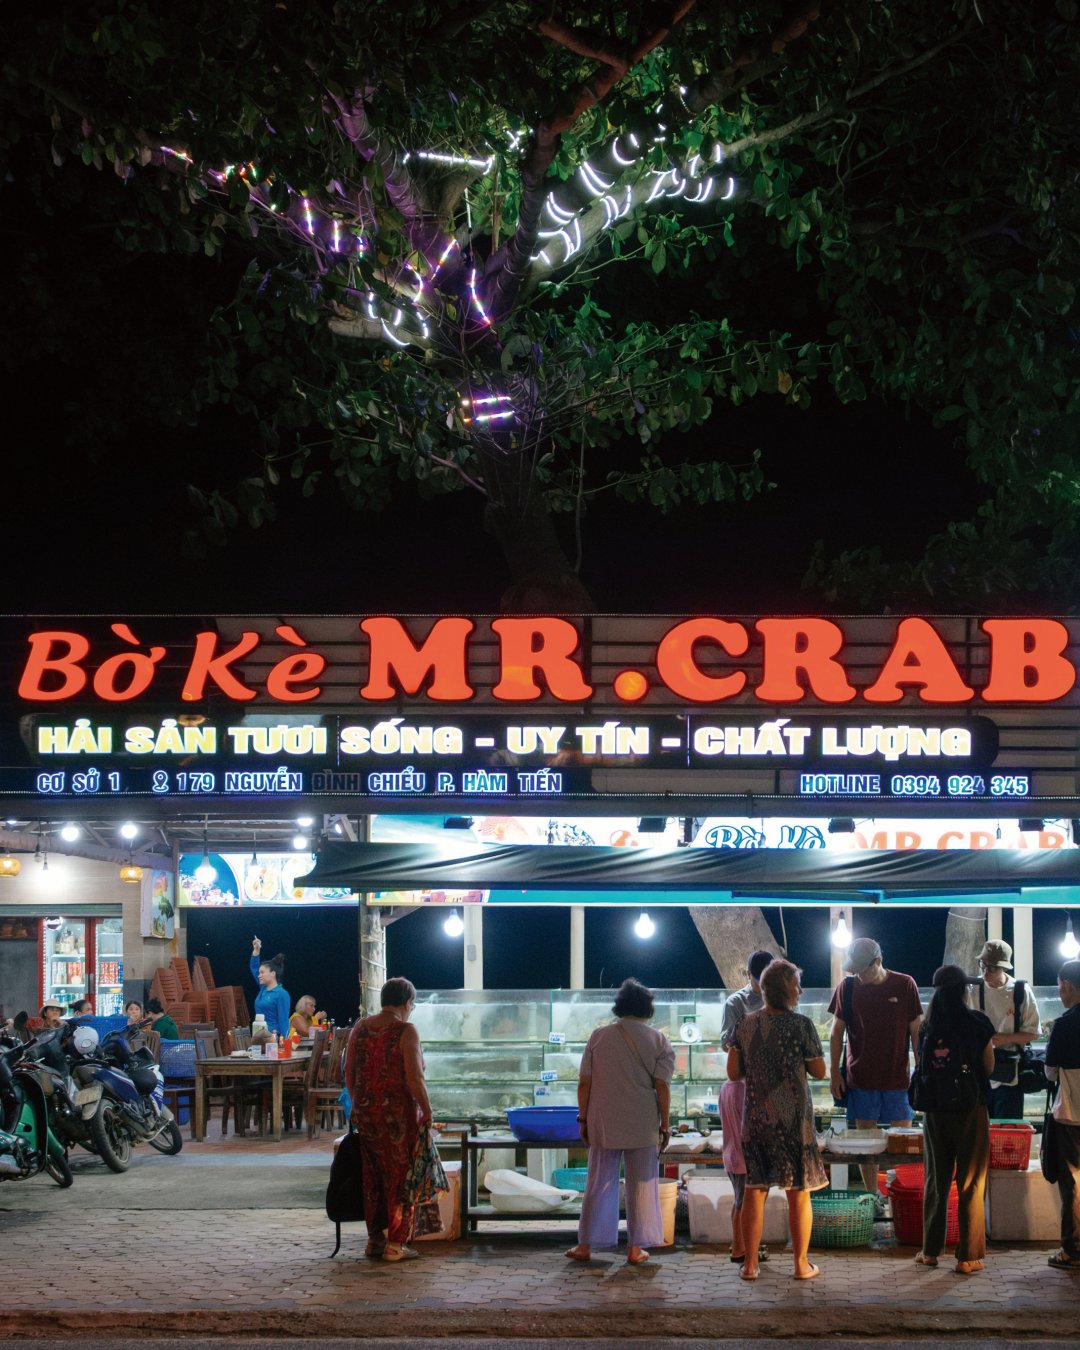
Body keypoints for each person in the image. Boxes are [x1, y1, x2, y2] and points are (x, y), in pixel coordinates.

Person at [728, 958, 828, 1282]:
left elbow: (733, 1072)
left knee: (755, 1188)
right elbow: (819, 1071)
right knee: (798, 1191)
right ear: (785, 990)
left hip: (757, 1117)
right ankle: (800, 1265)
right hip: (793, 1119)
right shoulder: (802, 1025)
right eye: (796, 985)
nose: (800, 991)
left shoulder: (744, 1024)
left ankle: (750, 1265)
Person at [566, 977, 674, 1267]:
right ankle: (635, 1249)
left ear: (619, 1006)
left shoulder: (598, 1036)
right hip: (642, 1121)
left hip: (603, 1119)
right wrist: (665, 1124)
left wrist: (583, 1118)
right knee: (642, 1184)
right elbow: (662, 1086)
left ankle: (585, 1245)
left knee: (599, 1181)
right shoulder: (659, 1041)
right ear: (648, 1008)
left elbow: (584, 1083)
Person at [344, 976, 445, 1262]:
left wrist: (357, 1102)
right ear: (408, 1003)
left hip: (366, 1114)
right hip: (399, 1117)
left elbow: (349, 1069)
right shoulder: (406, 1031)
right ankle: (396, 1245)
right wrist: (428, 1110)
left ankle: (375, 1240)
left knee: (373, 1176)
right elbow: (414, 1077)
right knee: (401, 1177)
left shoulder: (360, 1027)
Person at [913, 965, 994, 1275]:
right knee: (971, 1180)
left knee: (937, 1179)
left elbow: (923, 1066)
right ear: (963, 990)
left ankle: (930, 1251)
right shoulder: (977, 1023)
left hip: (935, 1110)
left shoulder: (927, 1026)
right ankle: (968, 1256)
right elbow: (988, 1066)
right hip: (970, 1108)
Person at [829, 937, 923, 1193]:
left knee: (902, 1143)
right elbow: (836, 1032)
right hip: (860, 1078)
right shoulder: (847, 987)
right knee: (865, 1144)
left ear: (878, 961)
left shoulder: (905, 984)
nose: (858, 975)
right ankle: (872, 1195)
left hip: (898, 1078)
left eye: (863, 969)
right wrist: (834, 1072)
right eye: (854, 969)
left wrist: (921, 1068)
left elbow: (916, 1030)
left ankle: (900, 1193)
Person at [720, 949, 775, 1267]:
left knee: (751, 1186)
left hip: (758, 1090)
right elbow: (726, 1042)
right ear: (749, 976)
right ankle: (742, 1249)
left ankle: (743, 1246)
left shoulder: (778, 999)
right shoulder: (736, 1003)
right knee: (746, 1185)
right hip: (744, 1088)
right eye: (760, 981)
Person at [974, 939, 1040, 1120]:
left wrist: (1003, 1038)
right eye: (983, 964)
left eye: (992, 967)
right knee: (979, 1128)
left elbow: (1033, 1032)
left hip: (1009, 1072)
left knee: (1007, 1128)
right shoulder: (972, 989)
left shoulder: (1020, 990)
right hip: (978, 1072)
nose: (985, 971)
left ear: (1004, 968)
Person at [1045, 958, 1080, 1270]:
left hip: (1072, 1113)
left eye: (1059, 987)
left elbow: (1050, 1072)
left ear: (1068, 986)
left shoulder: (1064, 1025)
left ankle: (1072, 1249)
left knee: (1073, 1182)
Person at [249, 937, 291, 1038]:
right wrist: (256, 949)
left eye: (262, 972)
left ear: (273, 974)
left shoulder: (282, 994)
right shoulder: (263, 989)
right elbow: (254, 967)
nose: (259, 975)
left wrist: (285, 1042)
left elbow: (284, 1021)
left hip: (273, 1039)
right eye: (259, 973)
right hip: (259, 1037)